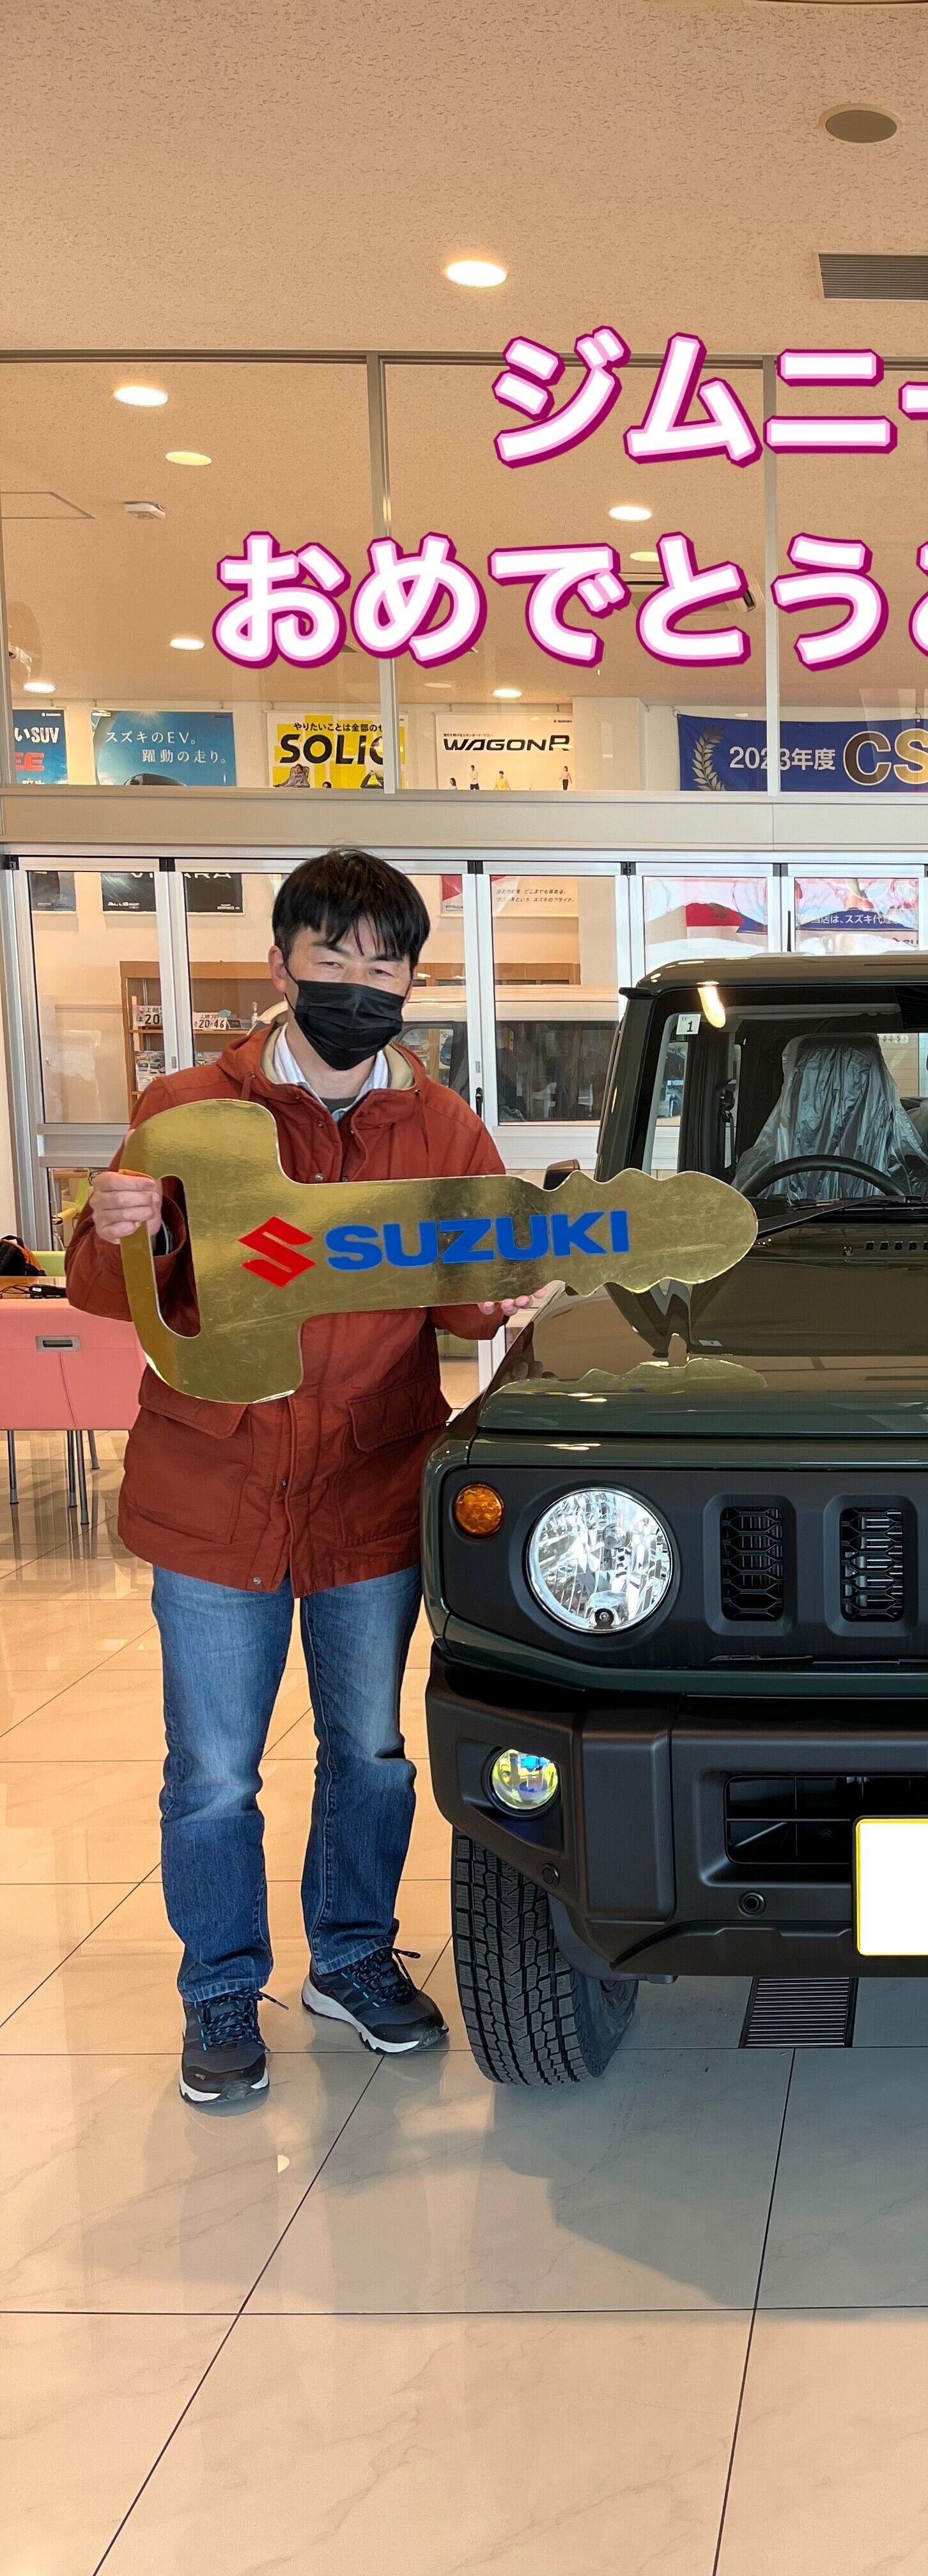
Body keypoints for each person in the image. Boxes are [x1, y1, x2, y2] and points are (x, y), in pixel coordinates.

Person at [66, 850, 539, 2109]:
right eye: (332, 955)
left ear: (411, 980)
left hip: (370, 1490)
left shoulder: (440, 1129)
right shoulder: (188, 1111)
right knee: (214, 1768)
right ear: (280, 964)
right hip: (214, 1491)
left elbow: (459, 1302)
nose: (358, 983)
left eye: (386, 963)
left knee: (370, 1750)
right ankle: (221, 1988)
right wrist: (112, 1234)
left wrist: (507, 1292)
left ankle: (351, 1957)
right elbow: (113, 1294)